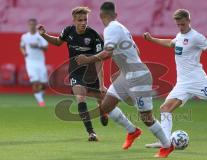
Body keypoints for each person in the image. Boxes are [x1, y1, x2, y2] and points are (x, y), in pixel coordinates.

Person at [75, 2, 174, 158]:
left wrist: (88, 59)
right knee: (106, 105)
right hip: (127, 76)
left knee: (146, 117)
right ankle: (133, 131)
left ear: (101, 16)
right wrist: (124, 69)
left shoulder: (110, 29)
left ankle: (167, 146)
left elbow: (107, 53)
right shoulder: (121, 28)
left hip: (138, 77)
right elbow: (137, 51)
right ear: (116, 14)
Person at [37, 6, 137, 143]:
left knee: (105, 100)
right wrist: (44, 34)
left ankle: (104, 110)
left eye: (85, 20)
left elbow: (99, 60)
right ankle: (91, 133)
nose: (83, 22)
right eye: (80, 20)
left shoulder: (93, 35)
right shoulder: (68, 31)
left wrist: (101, 84)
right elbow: (58, 42)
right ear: (74, 20)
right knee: (80, 97)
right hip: (76, 72)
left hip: (91, 73)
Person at [143, 9, 207, 148]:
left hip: (198, 81)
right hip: (182, 83)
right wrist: (152, 39)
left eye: (183, 24)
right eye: (178, 25)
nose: (181, 27)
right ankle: (164, 142)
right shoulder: (180, 36)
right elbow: (171, 43)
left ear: (189, 21)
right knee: (165, 108)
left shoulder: (196, 37)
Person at [20, 18, 48, 107]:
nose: (32, 26)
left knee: (44, 84)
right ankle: (41, 102)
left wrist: (38, 45)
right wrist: (24, 53)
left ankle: (41, 95)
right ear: (28, 25)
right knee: (35, 82)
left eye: (33, 24)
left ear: (36, 26)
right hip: (30, 63)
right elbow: (22, 46)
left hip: (40, 62)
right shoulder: (24, 36)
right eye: (30, 24)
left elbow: (46, 48)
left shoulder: (40, 36)